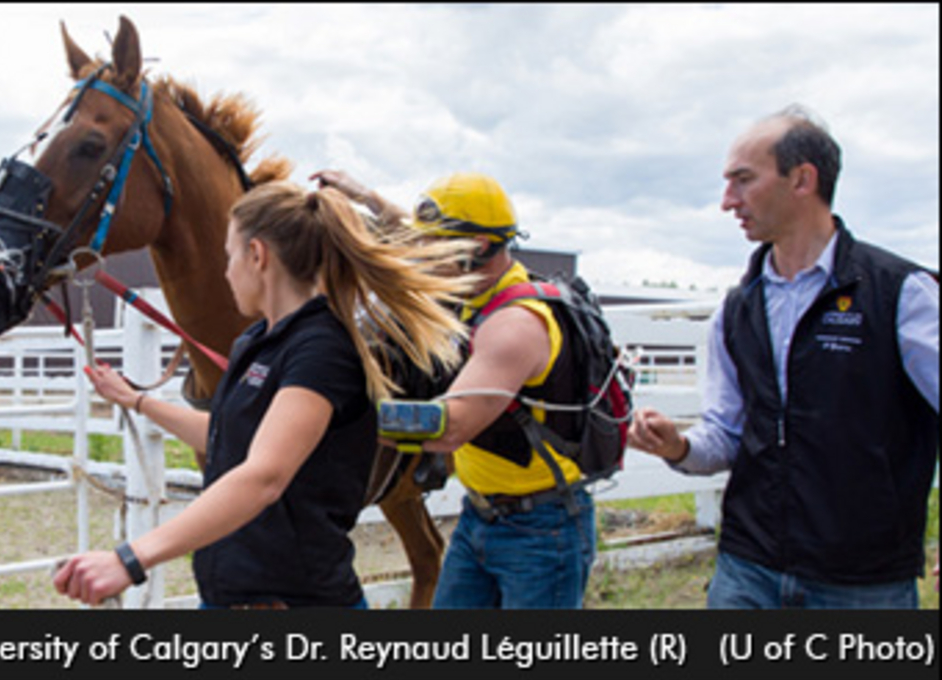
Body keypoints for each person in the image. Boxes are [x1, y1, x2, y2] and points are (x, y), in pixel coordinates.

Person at [53, 179, 473, 608]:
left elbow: (264, 475)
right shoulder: (256, 341)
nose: (226, 270)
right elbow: (229, 435)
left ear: (257, 256)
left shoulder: (324, 350)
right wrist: (137, 401)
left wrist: (130, 559)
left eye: (229, 256)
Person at [628, 105, 939, 609]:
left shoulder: (900, 293)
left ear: (802, 179)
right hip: (746, 570)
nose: (728, 201)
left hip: (863, 582)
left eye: (743, 181)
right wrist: (678, 447)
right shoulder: (736, 309)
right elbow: (727, 436)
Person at [319, 170, 598, 609]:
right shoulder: (479, 291)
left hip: (543, 529)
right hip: (481, 515)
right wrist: (365, 197)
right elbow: (410, 234)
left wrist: (332, 413)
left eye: (433, 249)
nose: (419, 256)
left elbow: (446, 428)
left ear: (478, 249)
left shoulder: (515, 324)